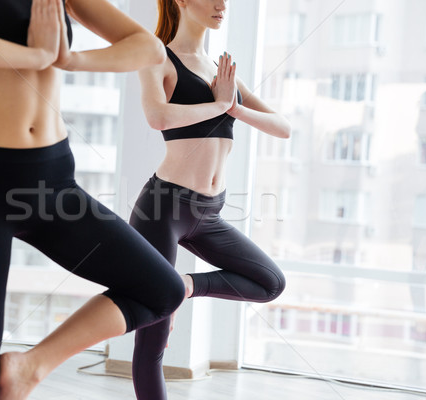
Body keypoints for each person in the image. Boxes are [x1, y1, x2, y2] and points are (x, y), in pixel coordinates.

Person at [0, 0, 187, 399]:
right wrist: (36, 55)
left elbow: (148, 48)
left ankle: (31, 366)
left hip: (52, 180)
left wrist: (69, 60)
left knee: (162, 289)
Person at [129, 1, 291, 399]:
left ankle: (183, 285)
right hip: (163, 209)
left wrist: (233, 104)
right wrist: (219, 105)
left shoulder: (221, 70)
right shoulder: (157, 56)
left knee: (270, 282)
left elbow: (282, 127)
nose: (222, 5)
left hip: (208, 212)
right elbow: (157, 116)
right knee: (154, 341)